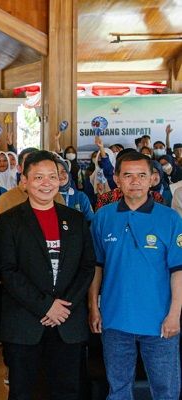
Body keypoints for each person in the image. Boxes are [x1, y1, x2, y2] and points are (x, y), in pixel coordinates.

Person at [0, 151, 96, 400]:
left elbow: (86, 266)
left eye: (52, 176)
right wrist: (45, 306)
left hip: (67, 322)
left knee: (67, 390)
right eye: (38, 177)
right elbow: (7, 271)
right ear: (25, 181)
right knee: (24, 391)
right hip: (25, 323)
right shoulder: (8, 221)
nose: (46, 183)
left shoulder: (76, 219)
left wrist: (63, 307)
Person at [89, 151, 181, 400]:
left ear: (153, 178)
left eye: (142, 175)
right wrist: (93, 308)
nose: (135, 181)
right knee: (118, 389)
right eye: (128, 175)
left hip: (160, 321)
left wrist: (175, 315)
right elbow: (96, 266)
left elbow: (178, 271)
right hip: (115, 318)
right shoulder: (102, 217)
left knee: (166, 390)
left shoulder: (170, 219)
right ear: (117, 179)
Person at [0, 148, 64, 219]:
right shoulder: (7, 199)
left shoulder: (56, 197)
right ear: (19, 168)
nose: (35, 167)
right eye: (28, 163)